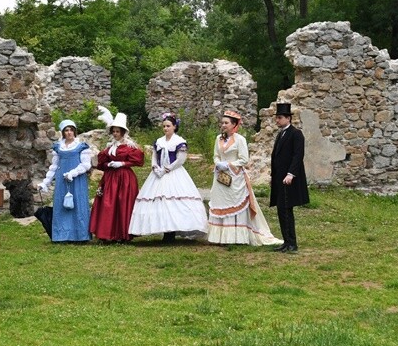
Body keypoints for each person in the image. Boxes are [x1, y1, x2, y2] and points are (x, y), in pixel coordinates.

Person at [207, 110, 284, 246]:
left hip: (235, 177)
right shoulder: (218, 138)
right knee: (221, 203)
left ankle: (235, 237)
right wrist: (218, 163)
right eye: (222, 122)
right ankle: (220, 237)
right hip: (220, 177)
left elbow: (244, 159)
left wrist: (229, 165)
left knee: (234, 203)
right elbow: (216, 155)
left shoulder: (240, 139)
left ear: (234, 125)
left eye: (226, 123)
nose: (223, 125)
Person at [128, 112, 208, 242]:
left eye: (168, 126)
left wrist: (167, 169)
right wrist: (155, 167)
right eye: (164, 126)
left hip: (173, 172)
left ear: (174, 127)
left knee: (173, 199)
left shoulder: (179, 141)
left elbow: (180, 160)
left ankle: (172, 230)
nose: (165, 128)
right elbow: (154, 156)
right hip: (158, 173)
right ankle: (165, 230)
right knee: (159, 200)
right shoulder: (159, 141)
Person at [89, 105, 144, 243]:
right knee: (108, 204)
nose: (115, 134)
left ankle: (123, 234)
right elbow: (101, 162)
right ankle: (107, 233)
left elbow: (138, 160)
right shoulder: (110, 146)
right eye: (113, 131)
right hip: (110, 177)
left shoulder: (130, 146)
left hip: (124, 178)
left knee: (122, 204)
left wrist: (123, 163)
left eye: (117, 131)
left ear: (123, 132)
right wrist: (108, 164)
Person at [38, 119, 92, 242]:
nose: (69, 133)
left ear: (75, 131)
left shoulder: (81, 146)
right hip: (62, 180)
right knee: (62, 205)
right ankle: (61, 235)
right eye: (66, 130)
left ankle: (80, 235)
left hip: (77, 180)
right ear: (63, 132)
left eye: (71, 130)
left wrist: (73, 173)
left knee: (78, 204)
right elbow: (54, 166)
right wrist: (45, 182)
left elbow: (86, 165)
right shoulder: (59, 147)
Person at [269, 102, 309, 253]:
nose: (277, 120)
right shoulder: (281, 134)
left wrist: (290, 174)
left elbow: (297, 156)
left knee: (286, 210)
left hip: (288, 179)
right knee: (281, 210)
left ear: (288, 118)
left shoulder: (295, 134)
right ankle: (286, 242)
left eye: (279, 118)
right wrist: (274, 175)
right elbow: (276, 157)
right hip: (280, 178)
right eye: (277, 118)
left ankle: (292, 243)